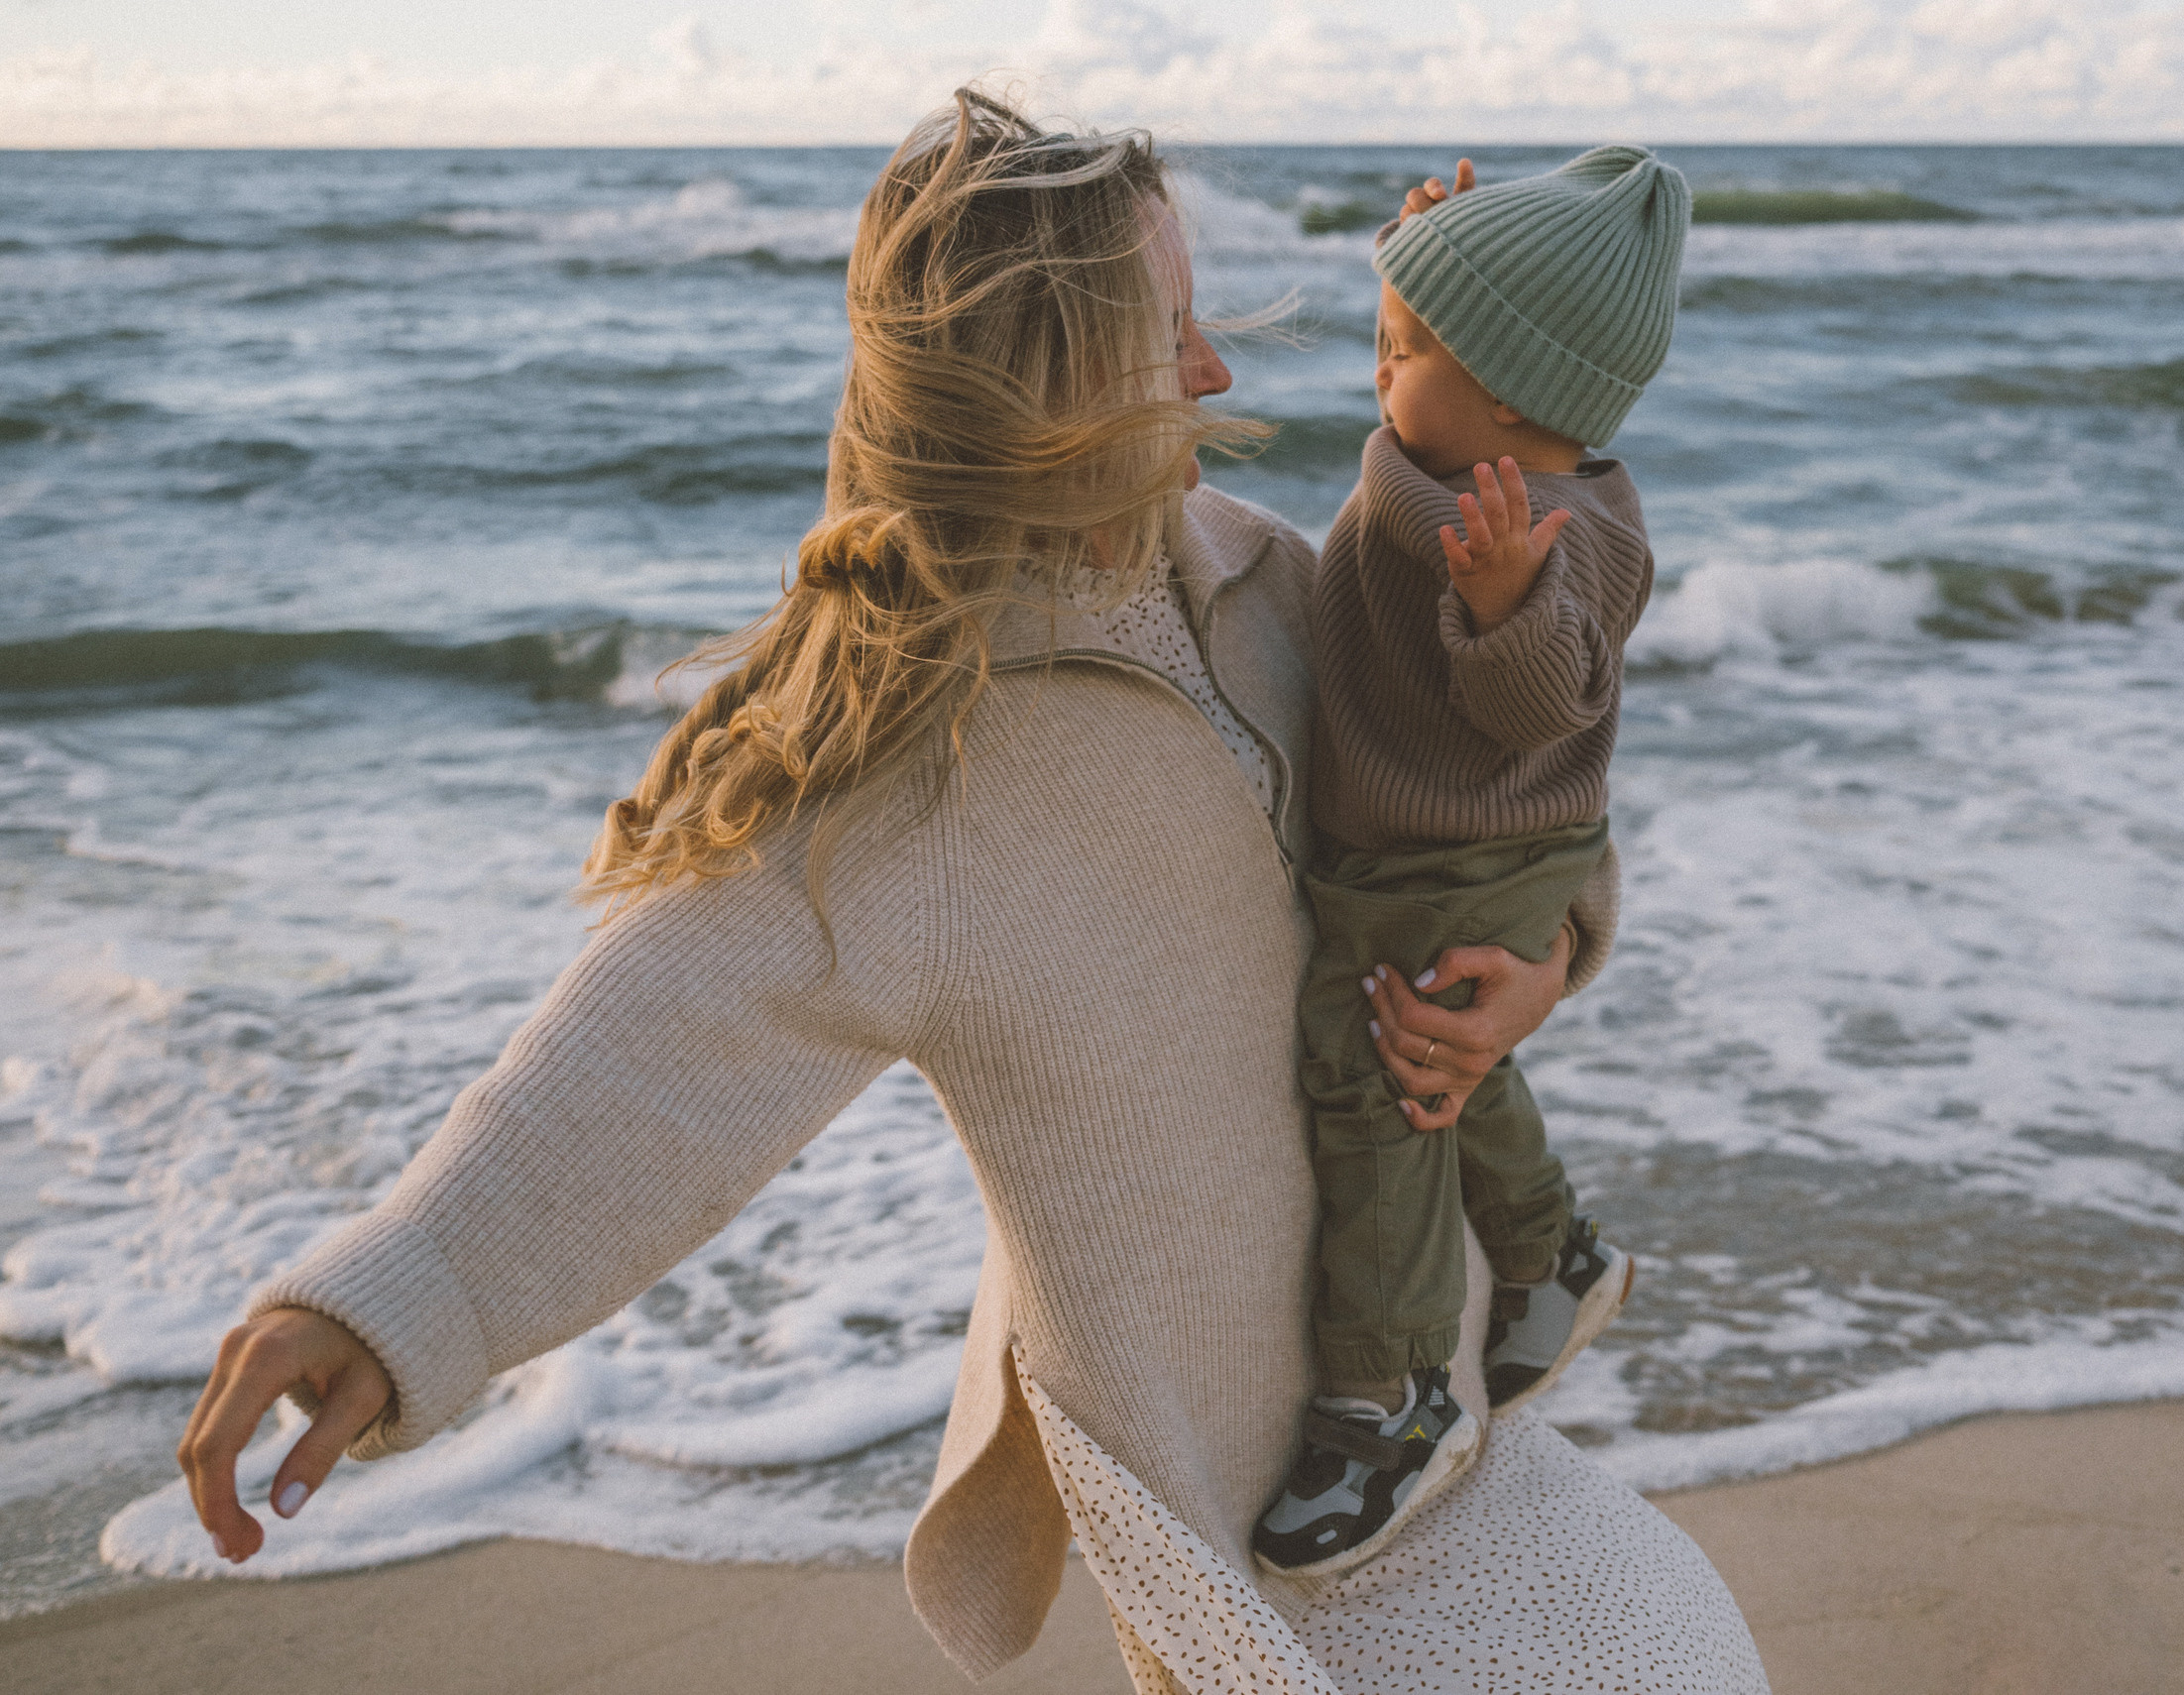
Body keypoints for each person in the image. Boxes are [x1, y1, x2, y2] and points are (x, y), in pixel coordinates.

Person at [174, 92, 1770, 1694]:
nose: (1217, 372)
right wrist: (386, 1302)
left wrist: (1550, 953)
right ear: (1055, 392)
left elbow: (1501, 789)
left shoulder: (1281, 580)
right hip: (1246, 1516)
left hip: (1435, 1413)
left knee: (1689, 1652)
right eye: (1172, 336)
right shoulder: (912, 785)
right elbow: (636, 1063)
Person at [1253, 147, 1689, 1580]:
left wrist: (1505, 608)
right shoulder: (1471, 454)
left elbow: (1545, 698)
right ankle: (1552, 1250)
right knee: (1449, 1053)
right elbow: (1437, 374)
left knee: (1377, 1075)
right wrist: (1430, 248)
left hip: (1467, 856)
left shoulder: (1539, 533)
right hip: (1443, 847)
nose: (1378, 375)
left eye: (1402, 349)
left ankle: (1391, 1398)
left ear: (1504, 390)